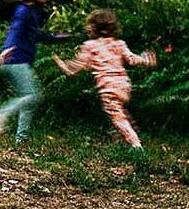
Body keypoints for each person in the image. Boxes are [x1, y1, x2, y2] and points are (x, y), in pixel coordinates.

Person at [0, 0, 70, 145]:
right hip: (14, 58)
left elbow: (36, 35)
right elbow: (16, 29)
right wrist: (8, 48)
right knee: (32, 96)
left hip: (20, 60)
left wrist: (57, 37)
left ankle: (21, 139)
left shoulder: (34, 11)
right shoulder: (23, 10)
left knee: (28, 99)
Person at [53, 8, 157, 149]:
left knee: (117, 116)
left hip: (109, 88)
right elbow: (132, 59)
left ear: (95, 28)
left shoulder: (91, 46)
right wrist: (146, 60)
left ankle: (136, 144)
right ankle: (120, 138)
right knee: (119, 112)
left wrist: (64, 65)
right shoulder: (119, 43)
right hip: (124, 86)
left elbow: (77, 66)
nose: (86, 28)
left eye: (89, 25)